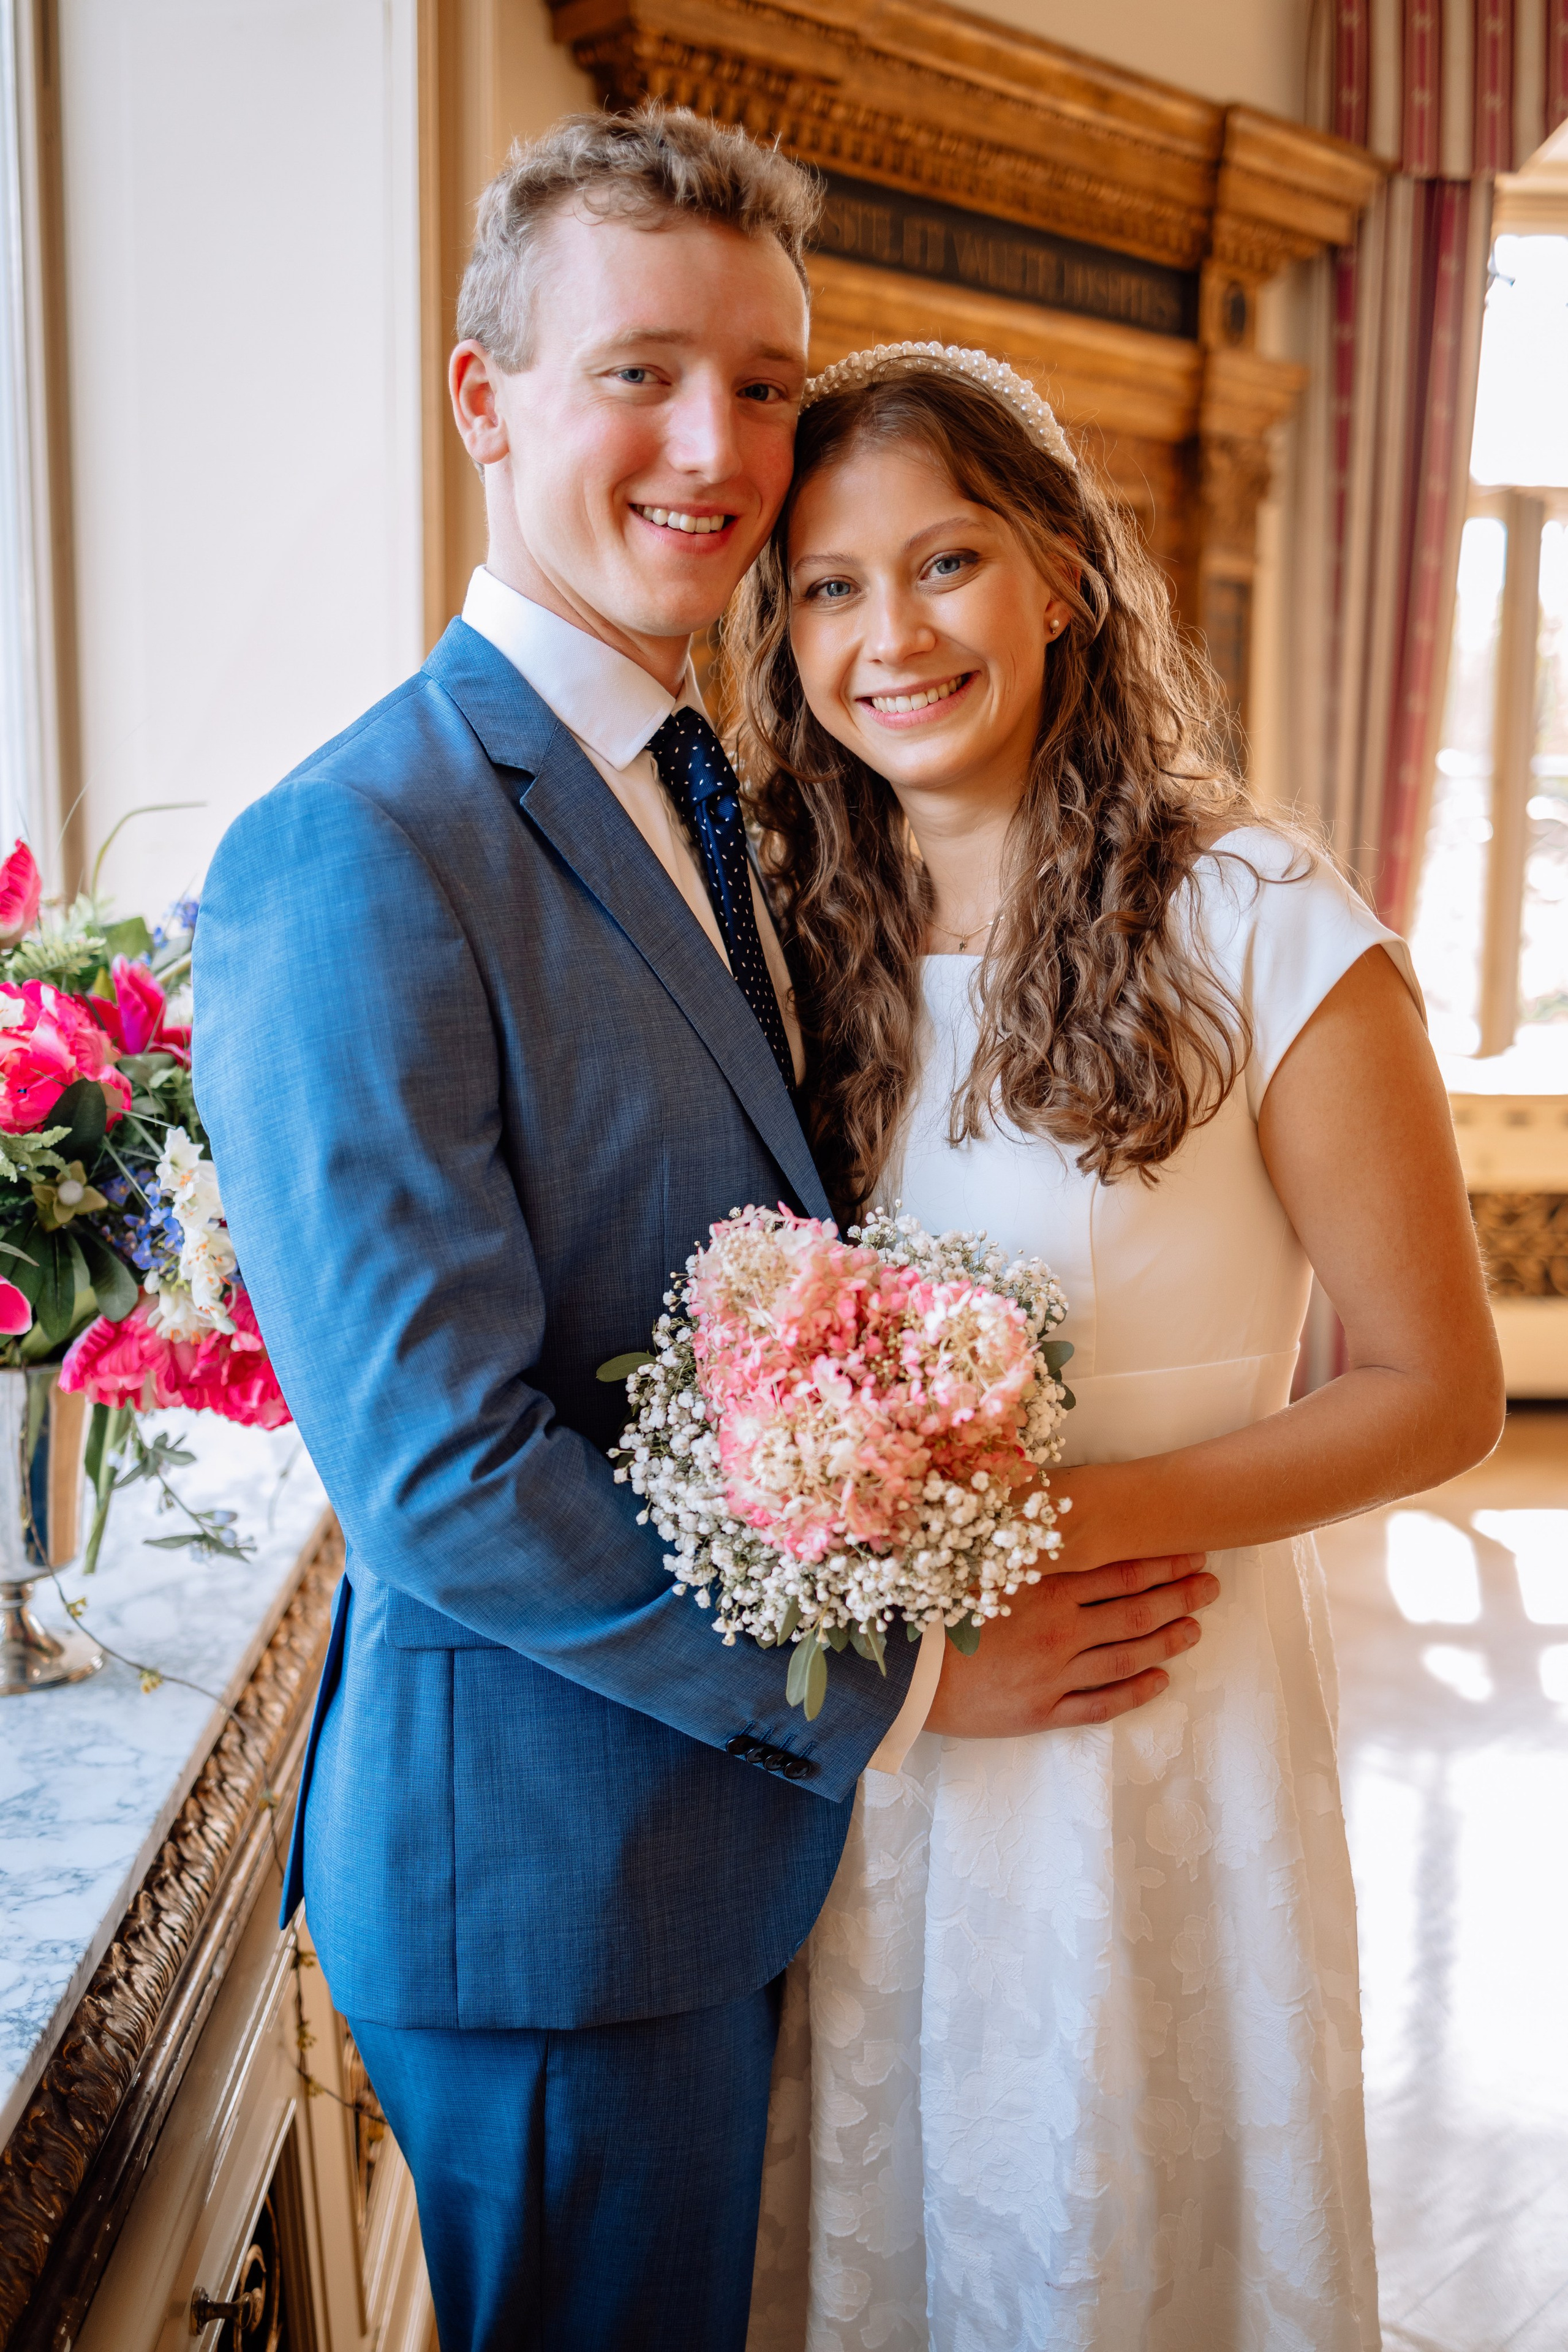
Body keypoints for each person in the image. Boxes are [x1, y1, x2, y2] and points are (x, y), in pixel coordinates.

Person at [192, 116, 1213, 2352]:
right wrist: (914, 1683)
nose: (718, 446)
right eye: (642, 372)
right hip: (553, 1888)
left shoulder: (718, 791)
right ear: (485, 401)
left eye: (764, 382)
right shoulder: (358, 846)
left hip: (714, 1866)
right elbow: (442, 1472)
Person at [733, 344, 1506, 2351]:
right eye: (827, 586)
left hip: (1160, 1702)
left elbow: (1436, 1389)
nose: (888, 635)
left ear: (1065, 569)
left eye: (948, 562)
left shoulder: (1259, 914)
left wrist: (1050, 1530)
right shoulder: (779, 927)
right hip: (885, 1744)